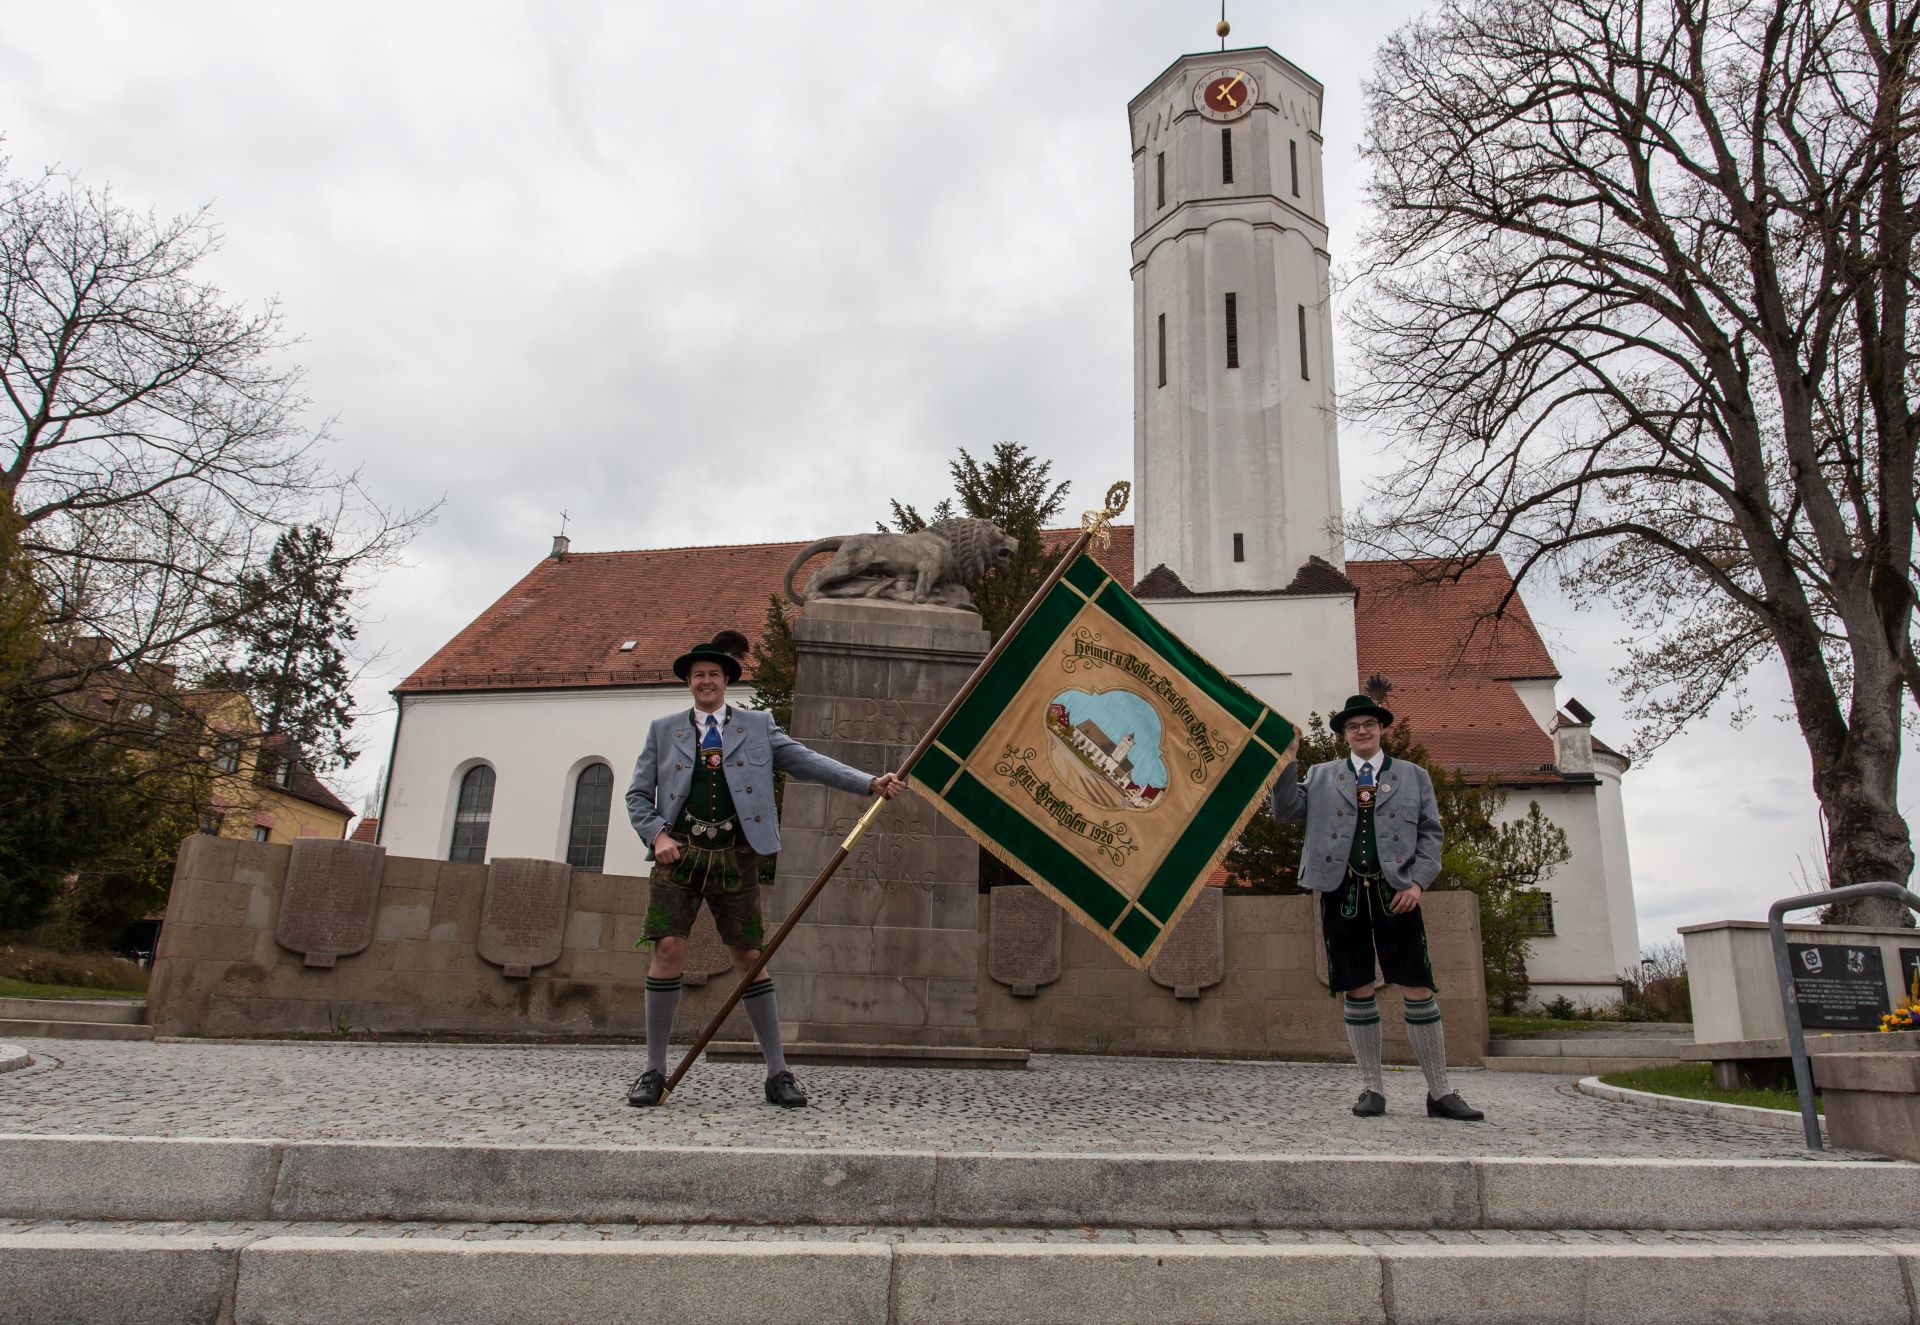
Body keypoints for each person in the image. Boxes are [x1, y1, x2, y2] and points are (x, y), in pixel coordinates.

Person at [624, 636, 904, 1108]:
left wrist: (867, 783)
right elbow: (637, 796)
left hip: (737, 855)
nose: (706, 681)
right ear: (689, 684)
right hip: (680, 855)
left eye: (714, 674)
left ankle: (778, 1073)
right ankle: (653, 1070)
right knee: (667, 948)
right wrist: (658, 836)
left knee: (750, 958)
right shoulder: (663, 730)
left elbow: (807, 761)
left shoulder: (757, 726)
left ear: (727, 681)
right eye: (698, 676)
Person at [1269, 693, 1484, 1121]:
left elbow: (1431, 834)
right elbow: (1285, 811)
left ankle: (1440, 1092)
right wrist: (1285, 761)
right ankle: (1372, 1089)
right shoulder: (1322, 774)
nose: (1361, 731)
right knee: (1357, 986)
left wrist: (1419, 882)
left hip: (1397, 895)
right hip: (1340, 892)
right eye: (1353, 726)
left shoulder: (1413, 776)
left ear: (1381, 729)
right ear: (1343, 735)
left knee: (1417, 984)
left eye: (1368, 723)